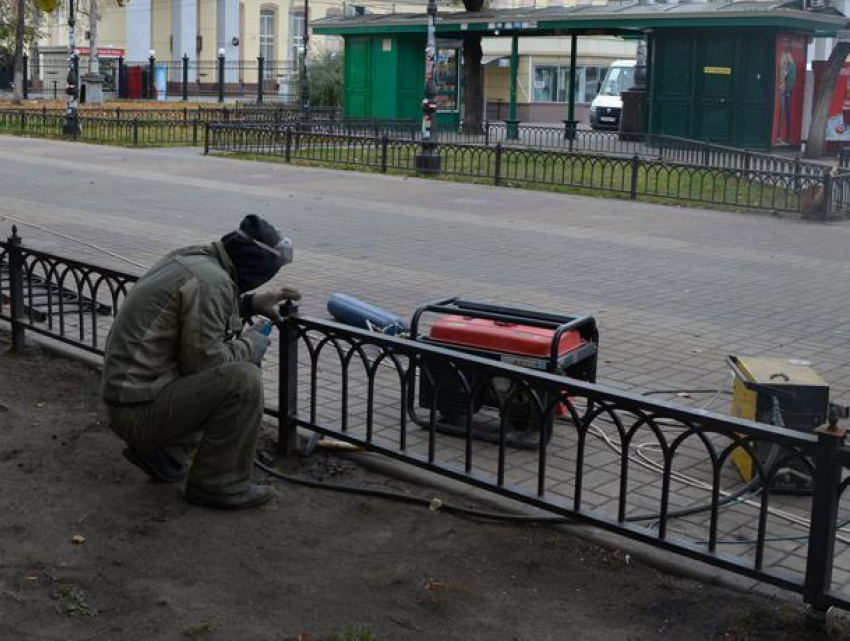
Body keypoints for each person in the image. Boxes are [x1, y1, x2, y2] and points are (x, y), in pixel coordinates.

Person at [102, 215, 301, 510]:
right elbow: (207, 366)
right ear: (256, 269)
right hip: (137, 411)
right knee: (242, 380)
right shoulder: (211, 282)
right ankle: (219, 484)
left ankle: (164, 454)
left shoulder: (196, 258)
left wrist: (249, 304)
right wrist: (252, 344)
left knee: (220, 374)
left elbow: (197, 325)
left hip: (129, 398)